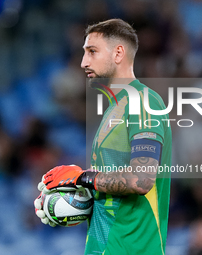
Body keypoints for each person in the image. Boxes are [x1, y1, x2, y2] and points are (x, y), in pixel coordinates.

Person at [34, 19, 172, 255]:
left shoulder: (143, 102)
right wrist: (72, 201)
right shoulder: (114, 109)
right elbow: (109, 191)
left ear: (118, 53)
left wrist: (81, 178)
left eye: (92, 52)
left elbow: (141, 179)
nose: (83, 62)